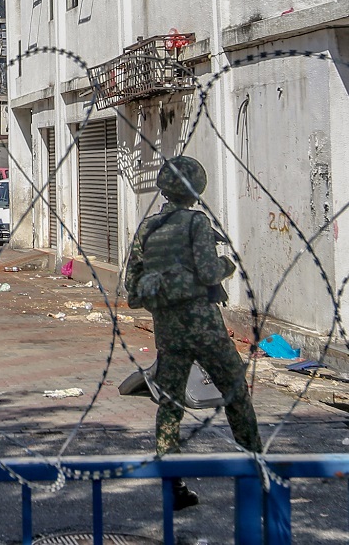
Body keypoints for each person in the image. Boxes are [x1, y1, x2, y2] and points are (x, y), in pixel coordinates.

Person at [124, 156, 262, 511]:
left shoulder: (147, 229)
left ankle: (172, 485)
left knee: (170, 406)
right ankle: (256, 473)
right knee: (236, 394)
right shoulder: (197, 223)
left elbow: (132, 288)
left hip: (169, 331)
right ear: (196, 189)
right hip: (205, 328)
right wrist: (227, 264)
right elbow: (209, 272)